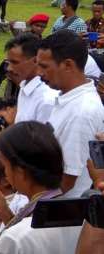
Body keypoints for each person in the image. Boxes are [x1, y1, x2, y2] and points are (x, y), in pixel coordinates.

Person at [0, 121, 82, 253]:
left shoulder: (16, 238)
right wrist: (6, 214)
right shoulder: (78, 216)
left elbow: (23, 237)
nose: (6, 173)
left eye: (5, 166)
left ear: (20, 172)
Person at [37, 30, 104, 198]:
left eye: (45, 66)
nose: (39, 73)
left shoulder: (82, 111)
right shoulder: (69, 99)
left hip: (58, 216)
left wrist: (29, 206)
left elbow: (67, 181)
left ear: (68, 65)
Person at [5, 33, 58, 124]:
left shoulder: (46, 101)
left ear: (35, 61)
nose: (9, 68)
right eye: (8, 62)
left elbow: (42, 137)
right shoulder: (24, 87)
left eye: (14, 62)